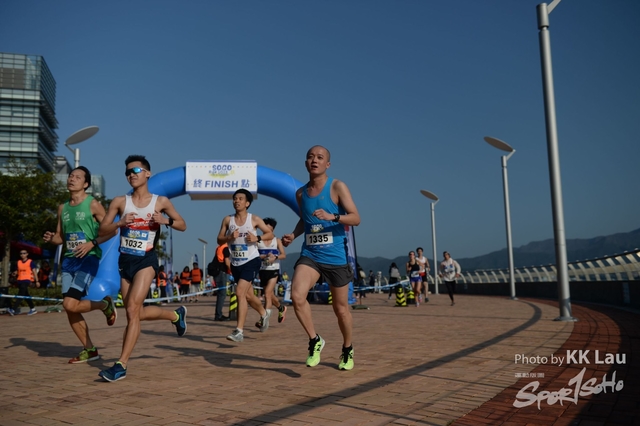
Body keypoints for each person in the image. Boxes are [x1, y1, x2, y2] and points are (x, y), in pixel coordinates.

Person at [97, 154, 188, 382]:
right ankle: (175, 315)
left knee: (132, 309)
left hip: (146, 261)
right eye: (128, 172)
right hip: (125, 261)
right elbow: (102, 230)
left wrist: (165, 221)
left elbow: (182, 225)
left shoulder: (160, 202)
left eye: (135, 170)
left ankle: (121, 365)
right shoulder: (120, 202)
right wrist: (120, 223)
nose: (131, 175)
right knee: (135, 313)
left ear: (147, 174)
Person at [282, 145, 361, 371]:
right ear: (305, 163)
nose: (314, 160)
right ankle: (315, 340)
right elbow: (305, 219)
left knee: (340, 309)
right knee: (297, 296)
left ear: (327, 164)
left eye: (319, 157)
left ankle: (347, 348)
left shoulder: (337, 186)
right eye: (310, 157)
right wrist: (294, 235)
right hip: (311, 254)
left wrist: (332, 216)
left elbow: (356, 218)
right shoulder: (301, 193)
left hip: (335, 256)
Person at [42, 166, 118, 363]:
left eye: (77, 177)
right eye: (70, 176)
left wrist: (92, 243)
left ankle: (104, 304)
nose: (72, 179)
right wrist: (52, 238)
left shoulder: (93, 204)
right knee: (71, 308)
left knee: (69, 303)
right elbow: (60, 237)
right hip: (69, 261)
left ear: (85, 184)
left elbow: (112, 231)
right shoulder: (62, 208)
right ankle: (90, 349)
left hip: (88, 258)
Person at [217, 188, 274, 342]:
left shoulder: (253, 219)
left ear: (247, 203)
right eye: (235, 198)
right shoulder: (227, 220)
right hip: (236, 263)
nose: (237, 201)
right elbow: (219, 239)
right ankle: (264, 314)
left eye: (240, 199)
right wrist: (229, 237)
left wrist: (257, 238)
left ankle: (239, 331)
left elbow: (270, 233)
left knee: (240, 292)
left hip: (251, 260)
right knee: (248, 296)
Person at [255, 217, 287, 329]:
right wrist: (264, 256)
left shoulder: (276, 240)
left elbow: (283, 255)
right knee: (270, 295)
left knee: (267, 294)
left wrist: (275, 257)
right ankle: (281, 308)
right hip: (262, 270)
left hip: (274, 270)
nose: (267, 231)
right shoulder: (258, 241)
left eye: (269, 229)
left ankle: (263, 319)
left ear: (272, 229)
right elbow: (254, 255)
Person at [9, 250, 39, 315]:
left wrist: (37, 281)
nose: (22, 255)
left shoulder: (30, 261)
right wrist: (15, 273)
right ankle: (33, 309)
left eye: (24, 253)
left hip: (27, 280)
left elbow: (34, 271)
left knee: (20, 295)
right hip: (20, 280)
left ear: (27, 254)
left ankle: (13, 309)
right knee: (26, 295)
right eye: (21, 253)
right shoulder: (18, 262)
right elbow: (17, 271)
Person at [212, 243, 231, 321]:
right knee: (222, 294)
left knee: (220, 294)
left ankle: (218, 314)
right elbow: (227, 262)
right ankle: (218, 315)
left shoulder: (219, 247)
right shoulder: (225, 248)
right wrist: (232, 271)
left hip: (217, 272)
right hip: (221, 272)